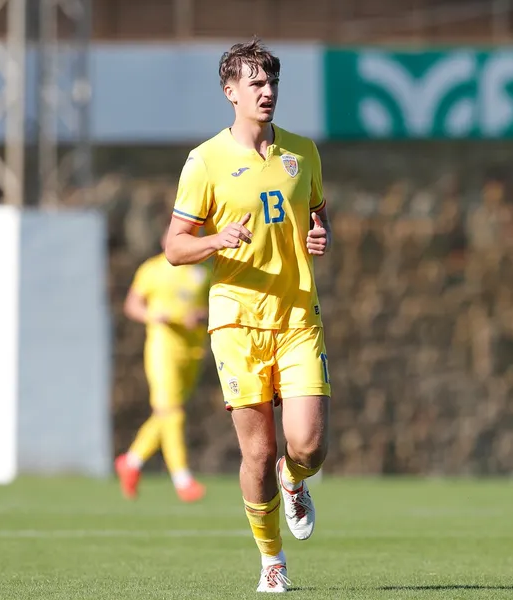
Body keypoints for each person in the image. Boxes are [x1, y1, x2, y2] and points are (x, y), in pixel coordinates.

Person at [164, 37, 332, 593]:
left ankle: (295, 479)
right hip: (236, 322)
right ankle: (271, 560)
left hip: (297, 315)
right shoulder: (204, 161)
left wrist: (322, 234)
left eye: (272, 82)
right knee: (257, 453)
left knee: (308, 445)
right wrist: (215, 240)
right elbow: (174, 246)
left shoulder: (303, 153)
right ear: (230, 91)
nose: (267, 92)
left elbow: (317, 214)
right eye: (255, 83)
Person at [114, 228, 211, 503]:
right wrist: (152, 315)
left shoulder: (203, 270)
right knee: (173, 413)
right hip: (162, 349)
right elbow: (132, 305)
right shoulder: (152, 269)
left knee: (166, 414)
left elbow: (216, 305)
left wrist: (201, 315)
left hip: (192, 350)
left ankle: (131, 461)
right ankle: (183, 479)